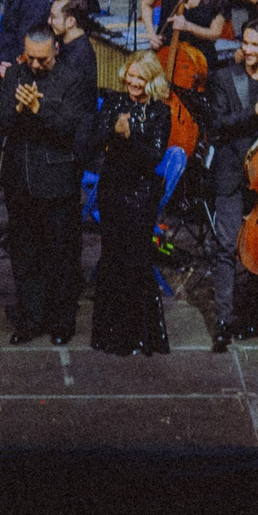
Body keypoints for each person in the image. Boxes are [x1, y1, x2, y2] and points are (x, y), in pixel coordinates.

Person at [201, 21, 258, 349]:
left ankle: (251, 311)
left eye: (257, 45)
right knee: (226, 245)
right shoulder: (224, 79)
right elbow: (216, 125)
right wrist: (255, 111)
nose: (249, 50)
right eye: (246, 43)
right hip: (231, 172)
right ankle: (224, 319)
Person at [0, 27, 90, 345]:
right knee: (24, 255)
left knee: (60, 256)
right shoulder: (14, 76)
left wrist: (40, 110)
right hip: (20, 181)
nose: (35, 65)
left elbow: (69, 128)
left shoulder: (73, 79)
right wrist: (19, 109)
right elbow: (1, 122)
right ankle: (31, 318)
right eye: (30, 58)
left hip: (56, 182)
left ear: (56, 51)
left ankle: (61, 321)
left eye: (42, 59)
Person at [90, 50, 173, 355]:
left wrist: (128, 138)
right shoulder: (113, 102)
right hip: (112, 189)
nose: (134, 82)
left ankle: (138, 336)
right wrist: (112, 132)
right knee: (112, 257)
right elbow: (94, 142)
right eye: (131, 75)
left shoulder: (160, 113)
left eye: (141, 77)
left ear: (152, 81)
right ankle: (110, 336)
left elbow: (153, 157)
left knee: (135, 259)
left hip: (140, 194)